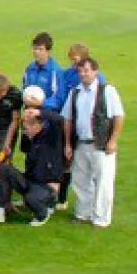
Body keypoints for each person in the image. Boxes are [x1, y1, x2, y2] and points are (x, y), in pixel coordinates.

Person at [63, 58, 125, 228]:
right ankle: (83, 213)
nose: (83, 74)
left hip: (101, 143)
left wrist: (113, 140)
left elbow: (119, 116)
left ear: (95, 71)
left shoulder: (107, 91)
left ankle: (101, 219)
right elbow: (68, 119)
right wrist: (68, 143)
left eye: (86, 71)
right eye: (80, 71)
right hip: (81, 143)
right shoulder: (75, 92)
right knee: (80, 180)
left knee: (103, 182)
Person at [0, 108, 65, 227]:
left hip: (47, 186)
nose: (25, 132)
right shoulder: (32, 141)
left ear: (38, 125)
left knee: (31, 198)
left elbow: (60, 121)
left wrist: (40, 113)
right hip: (31, 181)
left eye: (26, 128)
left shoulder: (53, 138)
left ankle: (43, 214)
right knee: (3, 168)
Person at [57, 42, 106, 210]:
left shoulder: (98, 78)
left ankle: (96, 207)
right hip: (71, 122)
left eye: (75, 59)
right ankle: (63, 198)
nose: (73, 63)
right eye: (71, 59)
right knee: (68, 162)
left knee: (93, 169)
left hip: (90, 129)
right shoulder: (67, 74)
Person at [22, 32, 66, 112]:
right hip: (30, 112)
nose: (36, 52)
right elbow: (24, 89)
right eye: (35, 48)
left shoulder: (55, 71)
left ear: (48, 51)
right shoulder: (29, 69)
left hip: (47, 114)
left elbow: (59, 99)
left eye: (40, 49)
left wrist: (41, 103)